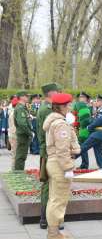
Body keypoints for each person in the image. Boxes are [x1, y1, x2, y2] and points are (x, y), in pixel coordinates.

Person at [43, 92, 80, 239]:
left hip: (54, 162)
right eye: (68, 105)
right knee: (58, 199)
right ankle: (54, 234)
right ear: (62, 107)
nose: (70, 107)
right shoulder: (60, 124)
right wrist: (68, 168)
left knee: (54, 198)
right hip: (59, 164)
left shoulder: (55, 121)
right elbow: (63, 149)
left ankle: (54, 232)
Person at [37, 83, 61, 230]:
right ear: (51, 93)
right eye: (57, 92)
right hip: (49, 151)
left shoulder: (45, 108)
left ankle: (45, 218)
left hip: (46, 150)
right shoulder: (47, 110)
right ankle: (46, 218)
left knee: (50, 184)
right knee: (49, 185)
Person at [78, 95, 102, 169]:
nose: (96, 102)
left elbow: (97, 122)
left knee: (84, 147)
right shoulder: (98, 111)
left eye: (97, 101)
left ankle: (71, 158)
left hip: (97, 133)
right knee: (98, 152)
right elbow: (92, 120)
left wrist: (89, 127)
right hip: (97, 134)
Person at [14, 91, 33, 170]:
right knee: (21, 156)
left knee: (22, 156)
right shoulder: (20, 108)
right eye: (26, 96)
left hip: (23, 134)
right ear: (21, 97)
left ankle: (19, 173)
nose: (28, 97)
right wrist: (30, 133)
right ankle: (19, 174)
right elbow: (22, 124)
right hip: (23, 135)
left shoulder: (22, 107)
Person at [7, 96, 19, 169]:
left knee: (14, 155)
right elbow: (14, 128)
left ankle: (15, 170)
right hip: (14, 136)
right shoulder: (14, 113)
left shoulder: (13, 112)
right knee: (15, 155)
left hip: (12, 135)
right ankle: (15, 171)